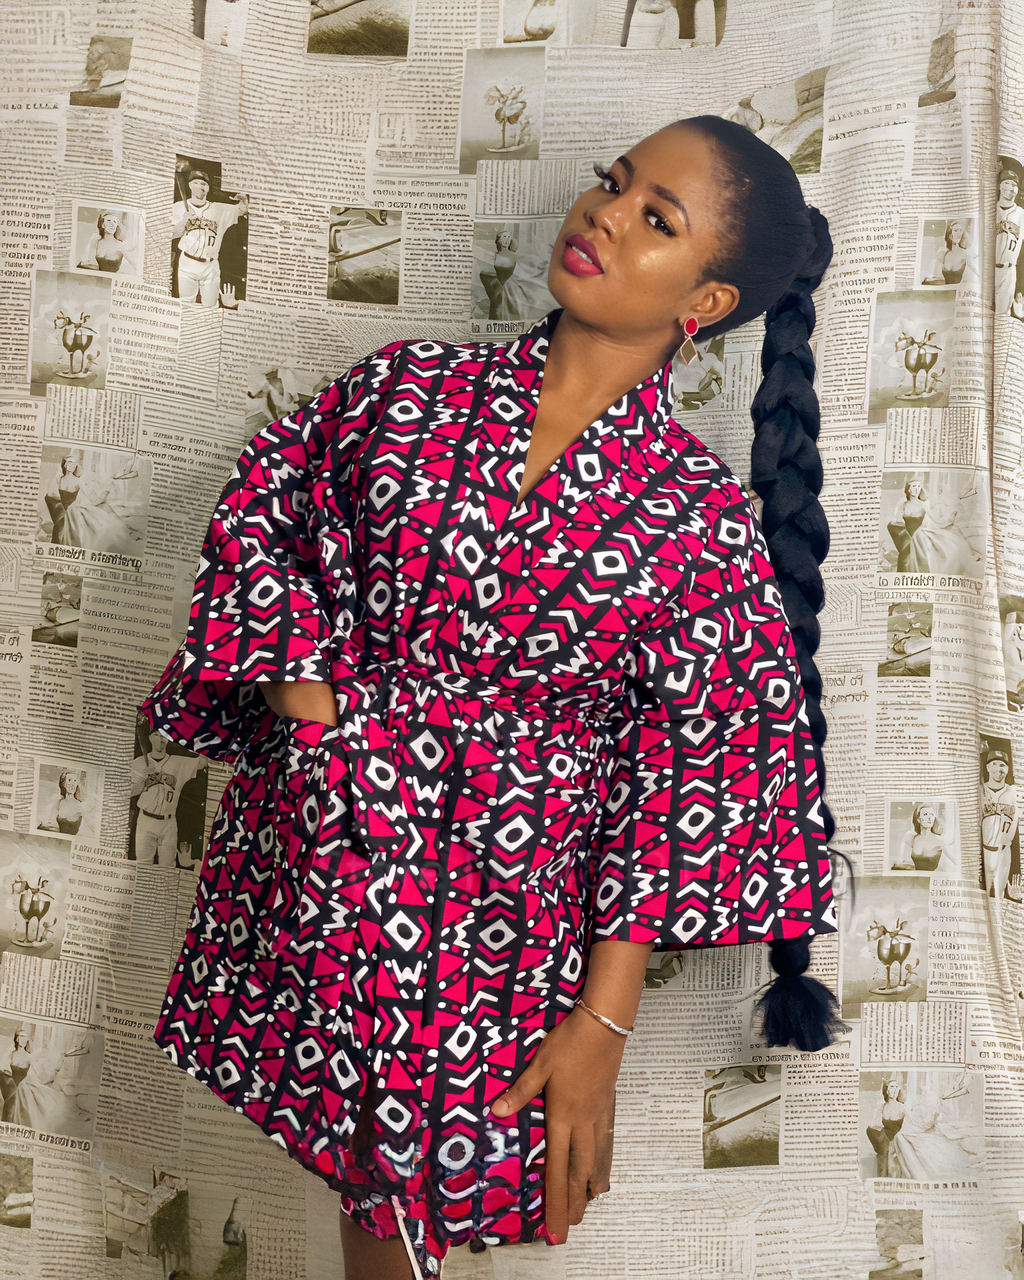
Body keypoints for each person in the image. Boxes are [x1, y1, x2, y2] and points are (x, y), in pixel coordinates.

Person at [140, 116, 845, 1279]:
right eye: (613, 183)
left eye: (655, 218)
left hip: (506, 914)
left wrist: (602, 1024)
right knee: (376, 1187)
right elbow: (268, 503)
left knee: (408, 1199)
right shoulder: (407, 387)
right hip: (330, 837)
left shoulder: (697, 519)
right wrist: (310, 705)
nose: (605, 213)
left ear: (707, 302)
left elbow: (691, 773)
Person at [131, 728, 208, 868]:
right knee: (142, 864)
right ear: (150, 738)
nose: (160, 739)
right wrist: (143, 780)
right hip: (145, 820)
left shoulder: (179, 762)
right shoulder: (140, 762)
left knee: (168, 866)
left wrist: (187, 740)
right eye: (156, 735)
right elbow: (128, 792)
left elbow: (203, 762)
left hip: (168, 823)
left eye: (164, 736)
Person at [171, 169, 246, 307]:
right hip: (187, 262)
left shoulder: (218, 208)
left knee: (211, 307)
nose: (201, 186)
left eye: (204, 184)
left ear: (208, 188)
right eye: (196, 183)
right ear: (190, 185)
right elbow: (172, 235)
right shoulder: (178, 207)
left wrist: (244, 200)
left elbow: (242, 210)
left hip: (211, 266)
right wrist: (183, 221)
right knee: (186, 305)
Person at [981, 748, 1018, 901]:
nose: (999, 769)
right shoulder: (979, 791)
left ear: (1008, 769)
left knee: (1000, 895)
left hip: (1004, 851)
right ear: (988, 768)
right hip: (984, 851)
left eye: (1002, 765)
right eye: (994, 764)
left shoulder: (1015, 792)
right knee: (982, 896)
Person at [891, 801, 953, 873]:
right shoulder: (911, 837)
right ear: (918, 819)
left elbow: (954, 862)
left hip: (932, 876)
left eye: (932, 814)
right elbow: (901, 860)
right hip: (914, 876)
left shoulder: (939, 840)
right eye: (925, 814)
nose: (929, 818)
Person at [995, 168, 1024, 315]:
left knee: (1002, 316)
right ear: (999, 186)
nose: (1010, 188)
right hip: (986, 270)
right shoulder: (989, 210)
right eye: (1006, 183)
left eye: (1014, 185)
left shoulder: (1021, 214)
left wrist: (1020, 287)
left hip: (1008, 271)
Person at [76, 211, 137, 275]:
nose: (112, 224)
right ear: (103, 225)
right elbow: (86, 261)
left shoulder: (120, 245)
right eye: (109, 220)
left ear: (116, 226)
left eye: (114, 222)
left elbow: (134, 265)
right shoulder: (96, 241)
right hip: (96, 276)